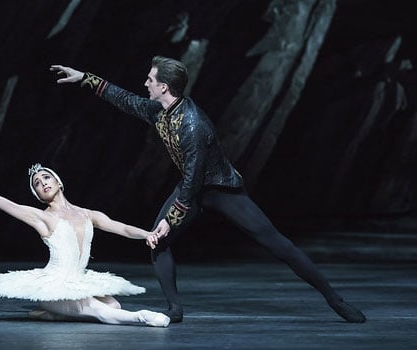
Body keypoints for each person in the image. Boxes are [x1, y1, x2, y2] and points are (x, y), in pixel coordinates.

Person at [49, 56, 367, 324]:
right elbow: (126, 101)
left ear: (163, 87)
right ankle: (174, 309)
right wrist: (84, 78)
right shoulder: (159, 110)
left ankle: (335, 299)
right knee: (157, 243)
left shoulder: (193, 124)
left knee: (276, 244)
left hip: (219, 189)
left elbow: (193, 181)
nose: (145, 83)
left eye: (150, 79)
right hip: (191, 187)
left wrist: (169, 218)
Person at [0, 160, 170, 327]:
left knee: (114, 307)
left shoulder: (87, 214)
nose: (43, 183)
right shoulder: (43, 218)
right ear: (38, 194)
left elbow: (120, 227)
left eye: (46, 177)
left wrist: (146, 234)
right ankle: (142, 317)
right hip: (54, 285)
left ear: (58, 182)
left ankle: (56, 315)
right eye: (37, 183)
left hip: (78, 280)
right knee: (101, 312)